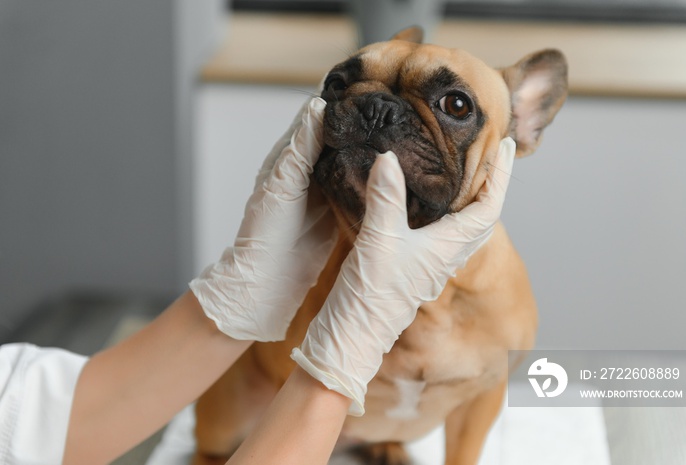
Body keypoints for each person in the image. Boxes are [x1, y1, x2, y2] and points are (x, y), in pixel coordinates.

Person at [0, 97, 516, 465]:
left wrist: (234, 300)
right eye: (346, 85)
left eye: (453, 105)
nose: (379, 113)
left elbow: (27, 422)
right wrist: (334, 359)